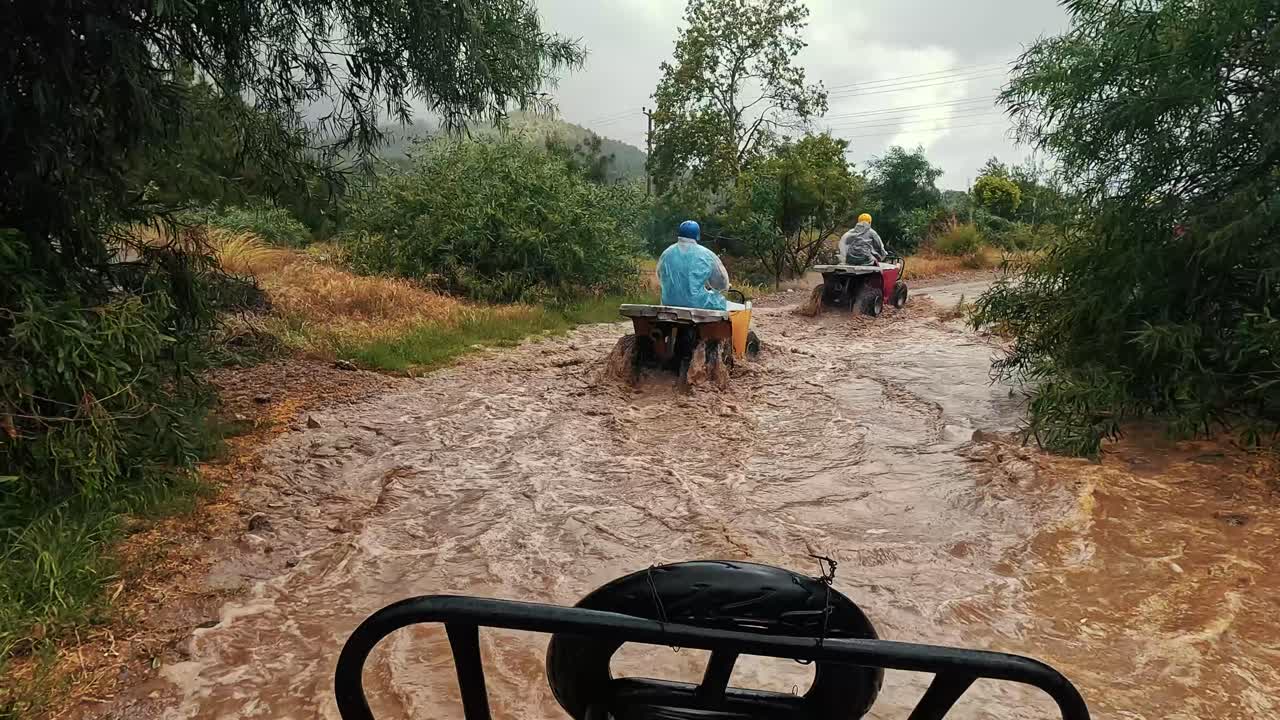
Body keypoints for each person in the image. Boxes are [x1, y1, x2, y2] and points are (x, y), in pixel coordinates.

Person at [656, 220, 736, 311]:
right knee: (720, 303)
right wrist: (724, 287)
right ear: (697, 235)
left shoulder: (666, 253)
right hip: (698, 305)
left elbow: (660, 276)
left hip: (668, 303)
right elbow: (721, 280)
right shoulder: (706, 254)